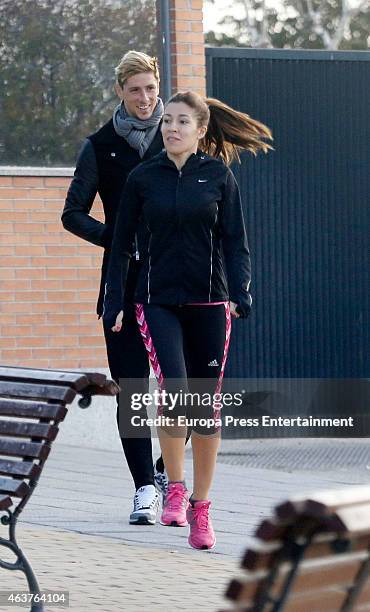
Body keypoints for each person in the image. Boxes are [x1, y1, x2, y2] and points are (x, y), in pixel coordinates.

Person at [103, 91, 272, 549]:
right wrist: (114, 300)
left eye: (182, 122)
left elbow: (236, 241)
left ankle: (201, 508)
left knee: (205, 404)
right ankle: (172, 489)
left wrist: (241, 293)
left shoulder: (218, 176)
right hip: (156, 301)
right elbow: (119, 245)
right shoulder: (144, 178)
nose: (172, 128)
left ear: (200, 130)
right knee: (175, 391)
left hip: (210, 304)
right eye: (168, 121)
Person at [61, 50, 169, 526]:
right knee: (133, 390)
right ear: (120, 92)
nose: (144, 99)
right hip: (123, 284)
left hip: (178, 281)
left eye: (150, 88)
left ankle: (168, 471)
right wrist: (117, 238)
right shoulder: (100, 145)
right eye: (134, 90)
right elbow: (73, 213)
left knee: (187, 388)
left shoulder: (180, 135)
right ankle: (144, 487)